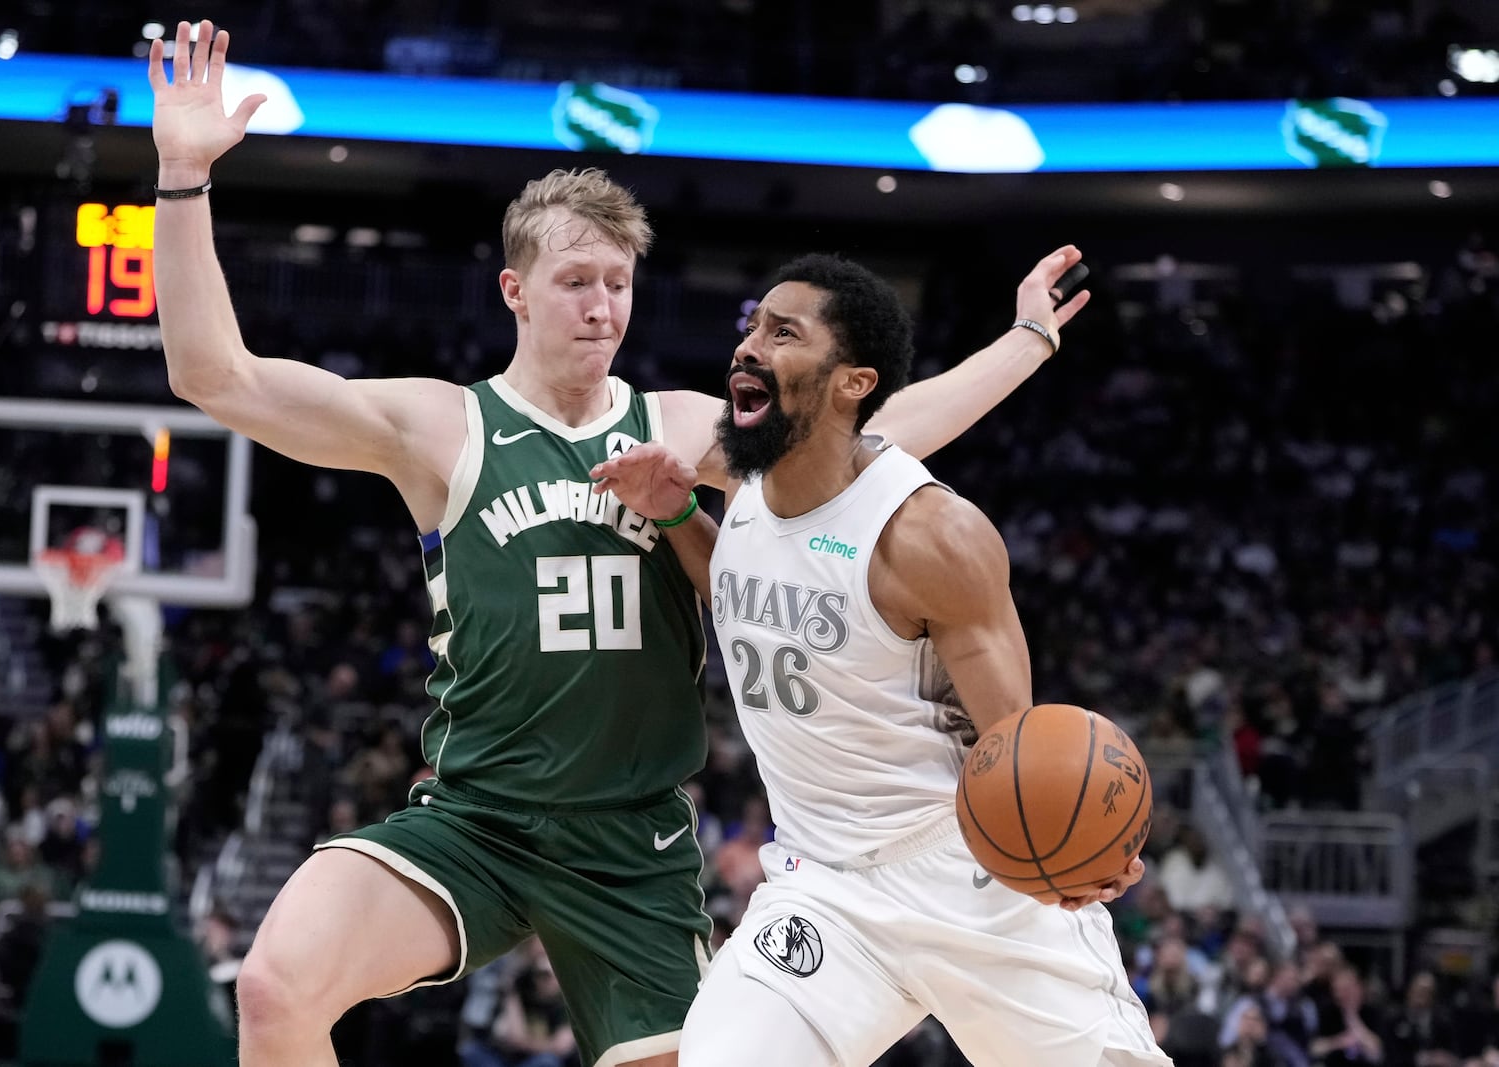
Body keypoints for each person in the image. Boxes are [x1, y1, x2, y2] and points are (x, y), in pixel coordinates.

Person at [149, 20, 1106, 1067]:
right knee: (276, 985)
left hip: (631, 845)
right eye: (575, 281)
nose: (602, 303)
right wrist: (183, 178)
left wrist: (1027, 338)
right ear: (515, 291)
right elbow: (217, 376)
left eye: (617, 280)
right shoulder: (441, 425)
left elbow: (875, 440)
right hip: (477, 816)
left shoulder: (681, 426)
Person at [591, 254, 1162, 1066]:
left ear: (852, 383)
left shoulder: (932, 536)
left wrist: (1088, 846)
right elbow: (757, 602)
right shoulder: (742, 486)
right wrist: (678, 513)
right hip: (823, 888)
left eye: (782, 333)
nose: (748, 348)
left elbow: (1019, 749)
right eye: (751, 327)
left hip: (974, 874)